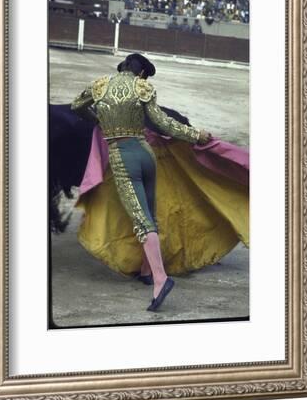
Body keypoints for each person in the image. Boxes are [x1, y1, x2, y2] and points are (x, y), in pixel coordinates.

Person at [71, 53, 212, 311]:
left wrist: (100, 120)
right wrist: (195, 135)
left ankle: (160, 279)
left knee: (140, 218)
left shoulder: (100, 86)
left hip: (122, 156)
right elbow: (162, 123)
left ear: (121, 68)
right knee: (149, 214)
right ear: (142, 73)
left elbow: (76, 106)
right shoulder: (142, 87)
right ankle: (148, 272)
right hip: (146, 155)